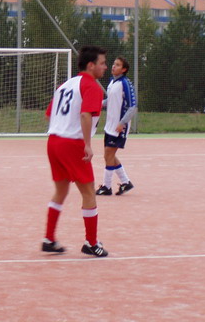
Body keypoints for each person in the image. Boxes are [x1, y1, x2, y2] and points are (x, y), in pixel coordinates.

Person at [42, 45, 108, 257]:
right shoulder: (92, 86)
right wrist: (87, 144)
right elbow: (85, 115)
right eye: (102, 63)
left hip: (54, 141)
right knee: (88, 192)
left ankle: (49, 239)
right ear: (91, 65)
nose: (105, 67)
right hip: (72, 143)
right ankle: (91, 243)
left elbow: (49, 114)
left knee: (61, 191)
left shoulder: (65, 85)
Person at [96, 56, 137, 196]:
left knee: (108, 154)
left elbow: (132, 107)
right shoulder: (112, 82)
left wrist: (122, 123)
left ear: (124, 69)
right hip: (110, 125)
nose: (114, 66)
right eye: (114, 64)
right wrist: (98, 104)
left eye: (118, 65)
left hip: (119, 127)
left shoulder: (125, 83)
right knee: (109, 155)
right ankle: (126, 182)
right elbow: (111, 100)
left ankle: (106, 186)